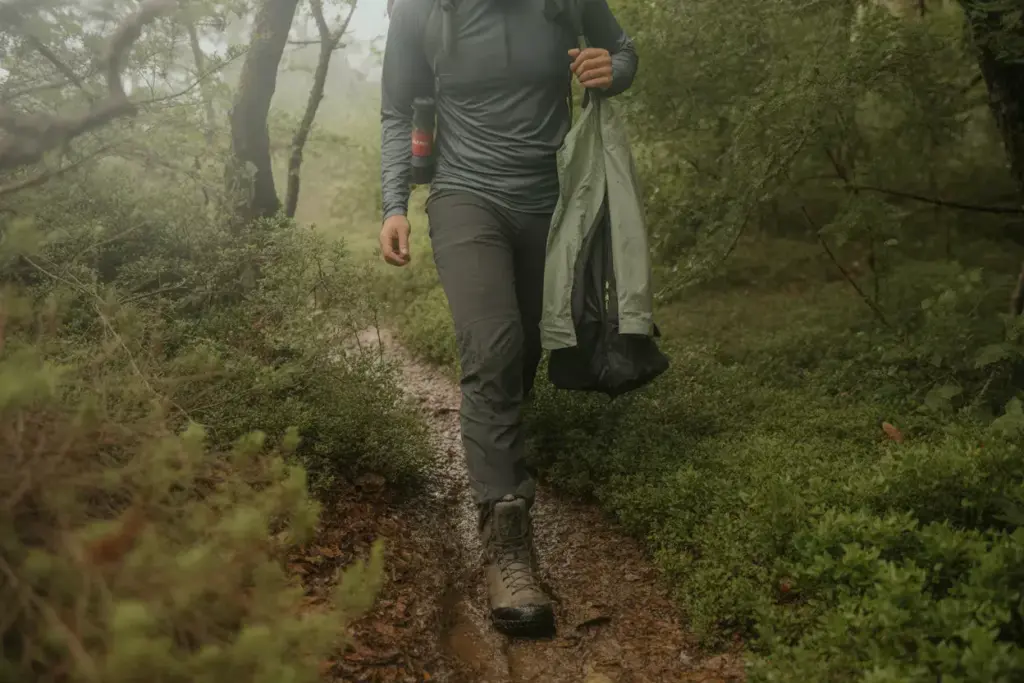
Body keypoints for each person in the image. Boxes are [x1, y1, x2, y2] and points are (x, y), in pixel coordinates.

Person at [378, 0, 638, 636]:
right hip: (466, 196)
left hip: (553, 197)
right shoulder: (418, 13)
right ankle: (507, 533)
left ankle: (500, 450)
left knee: (524, 354)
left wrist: (615, 67)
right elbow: (395, 109)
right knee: (492, 347)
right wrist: (393, 203)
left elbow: (625, 50)